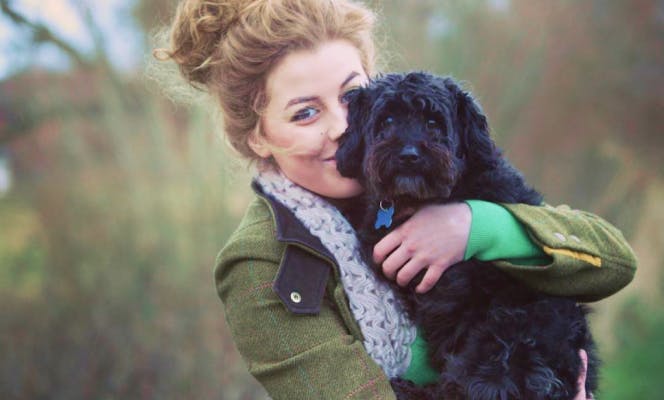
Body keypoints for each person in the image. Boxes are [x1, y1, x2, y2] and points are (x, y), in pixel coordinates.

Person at [157, 1, 636, 399]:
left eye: (351, 97)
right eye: (305, 113)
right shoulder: (260, 264)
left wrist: (478, 227)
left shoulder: (439, 174)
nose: (341, 128)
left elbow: (611, 260)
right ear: (258, 137)